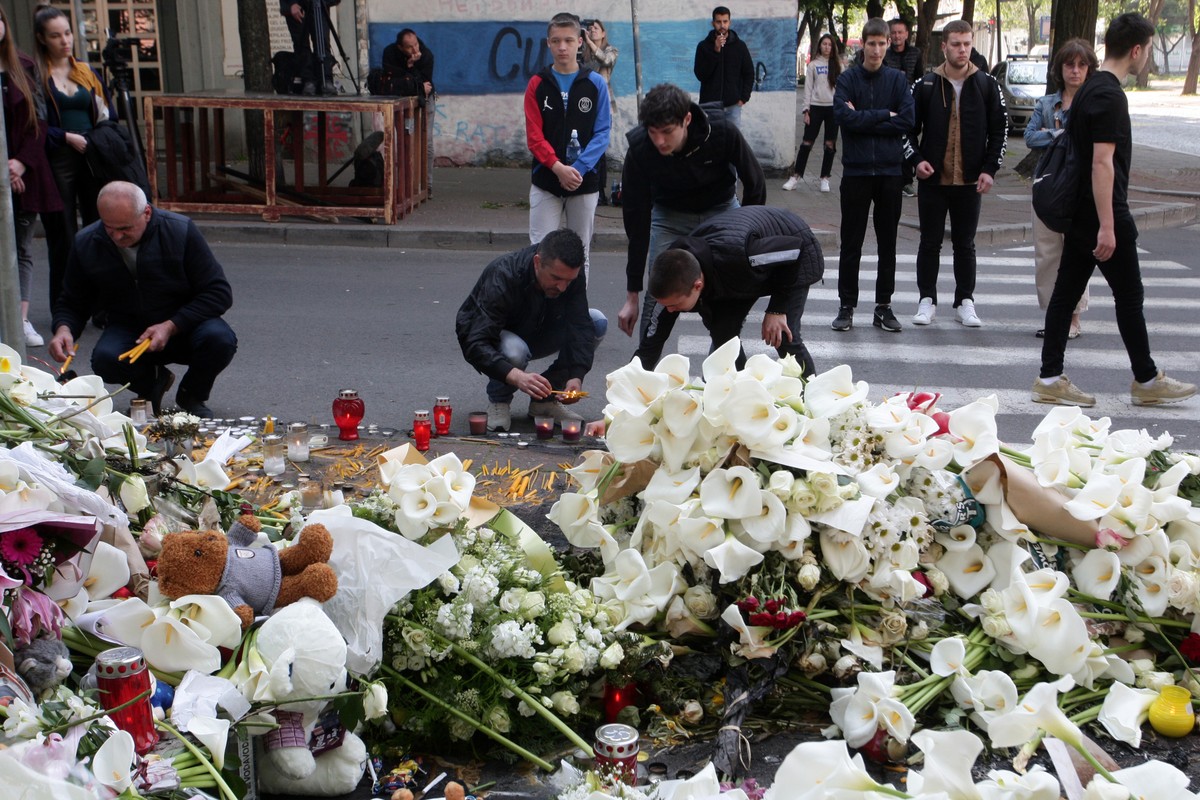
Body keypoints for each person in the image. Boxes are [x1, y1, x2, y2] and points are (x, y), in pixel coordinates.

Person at [1033, 13, 1195, 408]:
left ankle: (1051, 377)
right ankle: (1145, 379)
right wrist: (1108, 226)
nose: (1148, 56)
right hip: (1100, 213)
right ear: (1136, 50)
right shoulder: (1107, 95)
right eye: (1149, 49)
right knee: (1129, 294)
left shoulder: (1092, 89)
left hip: (1083, 212)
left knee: (1066, 293)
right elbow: (1101, 163)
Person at [49, 182, 237, 419]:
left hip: (183, 323)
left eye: (125, 228)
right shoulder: (87, 242)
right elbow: (72, 300)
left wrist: (170, 325)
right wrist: (63, 329)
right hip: (129, 326)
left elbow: (218, 292)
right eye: (109, 228)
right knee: (106, 359)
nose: (117, 236)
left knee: (219, 339)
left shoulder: (179, 231)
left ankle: (192, 394)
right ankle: (151, 386)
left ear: (146, 213)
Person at [618, 83, 765, 367]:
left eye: (667, 132)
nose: (659, 141)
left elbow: (755, 183)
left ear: (686, 119)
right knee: (661, 294)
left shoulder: (721, 131)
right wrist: (632, 294)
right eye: (653, 132)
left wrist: (746, 234)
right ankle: (642, 376)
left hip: (721, 211)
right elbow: (636, 221)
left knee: (723, 299)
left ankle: (726, 372)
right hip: (669, 216)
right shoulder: (640, 150)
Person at [906, 20, 1007, 329]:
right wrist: (916, 161)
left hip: (969, 181)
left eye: (967, 44)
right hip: (933, 180)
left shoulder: (987, 85)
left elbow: (1000, 131)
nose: (962, 50)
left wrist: (990, 170)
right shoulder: (924, 84)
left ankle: (965, 301)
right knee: (929, 243)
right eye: (956, 44)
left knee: (965, 244)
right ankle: (927, 300)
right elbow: (907, 130)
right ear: (944, 46)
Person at [455, 229, 606, 432]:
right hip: (504, 338)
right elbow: (475, 341)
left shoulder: (571, 278)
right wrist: (516, 376)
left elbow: (580, 326)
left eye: (568, 281)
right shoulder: (503, 273)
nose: (562, 287)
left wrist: (575, 375)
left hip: (541, 330)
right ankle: (499, 400)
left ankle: (544, 400)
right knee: (515, 350)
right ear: (537, 262)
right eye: (556, 278)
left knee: (596, 321)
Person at [647, 205, 821, 375]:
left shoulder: (745, 254)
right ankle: (742, 392)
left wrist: (777, 308)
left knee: (782, 334)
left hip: (791, 252)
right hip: (738, 273)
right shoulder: (673, 275)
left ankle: (811, 393)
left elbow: (794, 250)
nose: (669, 310)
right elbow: (651, 341)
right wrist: (634, 379)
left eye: (674, 305)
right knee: (724, 339)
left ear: (697, 285)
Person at [830, 18, 914, 334]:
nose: (877, 49)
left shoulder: (897, 80)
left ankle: (883, 306)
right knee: (851, 242)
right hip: (856, 172)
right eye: (871, 43)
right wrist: (883, 116)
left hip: (891, 173)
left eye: (882, 44)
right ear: (862, 44)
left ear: (888, 45)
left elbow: (906, 120)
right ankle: (846, 306)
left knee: (888, 243)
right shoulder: (848, 79)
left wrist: (863, 118)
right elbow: (843, 118)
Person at [32, 4, 112, 314]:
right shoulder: (36, 76)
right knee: (62, 236)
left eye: (67, 33)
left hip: (91, 155)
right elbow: (34, 126)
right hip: (57, 159)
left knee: (100, 230)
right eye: (56, 36)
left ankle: (103, 307)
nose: (65, 41)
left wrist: (99, 137)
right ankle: (65, 310)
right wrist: (64, 137)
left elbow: (107, 113)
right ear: (42, 39)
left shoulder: (85, 71)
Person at [524, 13, 611, 279]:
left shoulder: (595, 84)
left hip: (583, 182)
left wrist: (579, 168)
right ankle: (538, 315)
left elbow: (603, 132)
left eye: (569, 40)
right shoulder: (537, 84)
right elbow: (534, 136)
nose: (562, 47)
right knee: (539, 252)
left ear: (580, 43)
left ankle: (575, 318)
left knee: (580, 253)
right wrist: (557, 167)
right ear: (548, 44)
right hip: (546, 180)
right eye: (556, 41)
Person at [1026, 38, 1096, 340]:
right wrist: (1061, 133)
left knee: (1077, 252)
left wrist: (1051, 133)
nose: (1076, 71)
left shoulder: (1094, 103)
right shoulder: (1046, 103)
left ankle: (1073, 317)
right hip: (1049, 185)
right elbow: (1030, 138)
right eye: (1070, 64)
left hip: (1082, 186)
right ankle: (1055, 315)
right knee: (1047, 253)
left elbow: (1094, 142)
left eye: (1082, 65)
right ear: (1060, 68)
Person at [2, 3, 62, 346]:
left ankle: (20, 319)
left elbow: (38, 122)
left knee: (22, 249)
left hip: (24, 175)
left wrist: (19, 163)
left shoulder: (23, 67)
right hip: (4, 173)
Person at [783, 33, 841, 194]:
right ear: (820, 46)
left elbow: (842, 89)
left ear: (833, 47)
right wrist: (806, 110)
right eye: (824, 44)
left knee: (830, 145)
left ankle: (824, 178)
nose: (827, 47)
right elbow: (807, 88)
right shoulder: (813, 65)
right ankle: (795, 177)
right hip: (815, 107)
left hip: (833, 109)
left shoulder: (837, 65)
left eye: (830, 44)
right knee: (807, 143)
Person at [380, 28, 435, 195]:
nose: (415, 50)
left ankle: (427, 184)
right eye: (410, 47)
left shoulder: (426, 55)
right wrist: (409, 68)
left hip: (423, 102)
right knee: (404, 142)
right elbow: (390, 79)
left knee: (427, 142)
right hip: (400, 102)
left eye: (416, 44)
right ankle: (405, 184)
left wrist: (410, 73)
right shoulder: (390, 53)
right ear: (400, 47)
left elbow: (424, 87)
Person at [693, 6, 754, 129]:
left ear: (729, 22)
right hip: (709, 106)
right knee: (711, 143)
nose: (722, 25)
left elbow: (749, 73)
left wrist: (743, 98)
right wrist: (715, 51)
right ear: (713, 23)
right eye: (718, 22)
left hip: (733, 107)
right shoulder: (703, 46)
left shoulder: (740, 46)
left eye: (725, 21)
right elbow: (701, 75)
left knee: (732, 144)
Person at [581, 19, 617, 205]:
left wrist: (589, 43)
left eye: (596, 28)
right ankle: (589, 186)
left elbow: (605, 60)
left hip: (603, 105)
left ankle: (600, 191)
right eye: (589, 29)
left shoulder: (611, 50)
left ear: (603, 33)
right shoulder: (584, 54)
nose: (592, 31)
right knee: (586, 147)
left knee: (600, 150)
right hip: (585, 104)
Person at [280, 0, 341, 96]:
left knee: (323, 41)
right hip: (296, 5)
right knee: (301, 44)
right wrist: (290, 4)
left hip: (319, 4)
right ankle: (308, 80)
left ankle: (326, 79)